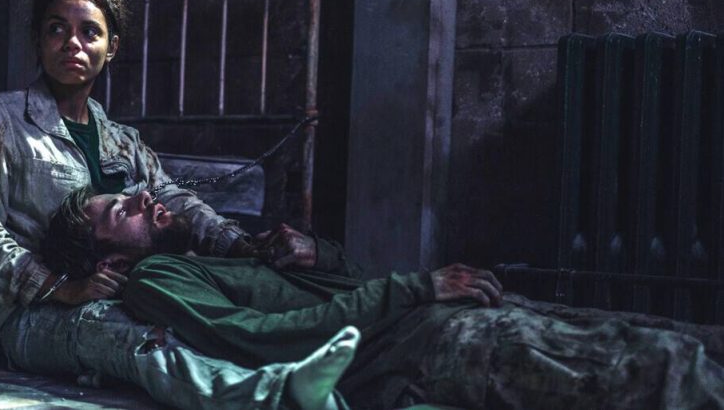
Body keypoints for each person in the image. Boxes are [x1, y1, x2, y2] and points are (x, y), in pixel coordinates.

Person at [0, 0, 355, 410]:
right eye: (56, 29)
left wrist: (242, 246)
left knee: (233, 305)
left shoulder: (122, 140)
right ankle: (277, 396)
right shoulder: (3, 119)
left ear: (111, 48)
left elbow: (175, 199)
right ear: (38, 39)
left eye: (90, 32)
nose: (73, 43)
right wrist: (64, 288)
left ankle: (352, 364)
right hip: (35, 313)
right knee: (135, 337)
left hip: (138, 292)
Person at [45, 186, 724, 409]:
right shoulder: (157, 282)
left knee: (687, 339)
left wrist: (319, 255)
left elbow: (349, 281)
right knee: (659, 368)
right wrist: (418, 287)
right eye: (118, 211)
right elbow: (270, 338)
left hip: (435, 314)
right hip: (419, 344)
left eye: (130, 193)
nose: (141, 199)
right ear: (111, 260)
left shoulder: (207, 254)